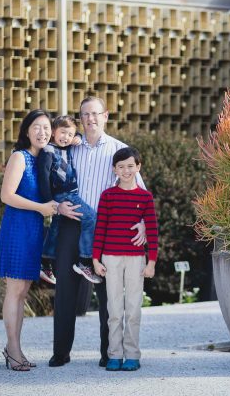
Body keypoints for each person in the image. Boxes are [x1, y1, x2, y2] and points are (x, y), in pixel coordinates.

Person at [50, 96, 147, 368]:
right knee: (65, 291)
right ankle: (61, 353)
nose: (90, 119)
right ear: (80, 118)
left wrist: (141, 222)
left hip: (106, 229)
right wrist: (57, 206)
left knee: (108, 295)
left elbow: (139, 190)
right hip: (72, 224)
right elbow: (52, 178)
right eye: (85, 115)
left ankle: (109, 354)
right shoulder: (70, 148)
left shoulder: (119, 149)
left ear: (106, 116)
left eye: (95, 114)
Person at [0, 109, 59, 371]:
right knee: (14, 291)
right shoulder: (19, 157)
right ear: (26, 132)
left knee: (23, 293)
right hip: (17, 230)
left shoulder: (44, 159)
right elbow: (6, 196)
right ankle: (13, 351)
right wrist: (40, 207)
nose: (42, 132)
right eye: (37, 127)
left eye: (46, 128)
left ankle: (15, 349)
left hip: (33, 231)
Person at [93, 147, 158, 371]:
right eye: (121, 167)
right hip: (110, 257)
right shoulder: (107, 196)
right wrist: (95, 258)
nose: (126, 170)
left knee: (132, 309)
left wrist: (152, 262)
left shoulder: (145, 197)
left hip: (135, 260)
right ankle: (114, 354)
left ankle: (132, 354)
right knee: (113, 309)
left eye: (130, 166)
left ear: (138, 167)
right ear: (114, 170)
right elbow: (100, 228)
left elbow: (152, 230)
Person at [36, 115, 101, 286]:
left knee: (55, 229)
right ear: (53, 133)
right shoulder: (48, 151)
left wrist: (77, 137)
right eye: (62, 133)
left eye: (69, 134)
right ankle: (85, 261)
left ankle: (45, 262)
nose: (66, 137)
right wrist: (50, 201)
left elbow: (77, 134)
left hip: (67, 194)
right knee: (91, 218)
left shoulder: (67, 147)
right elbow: (43, 177)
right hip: (64, 194)